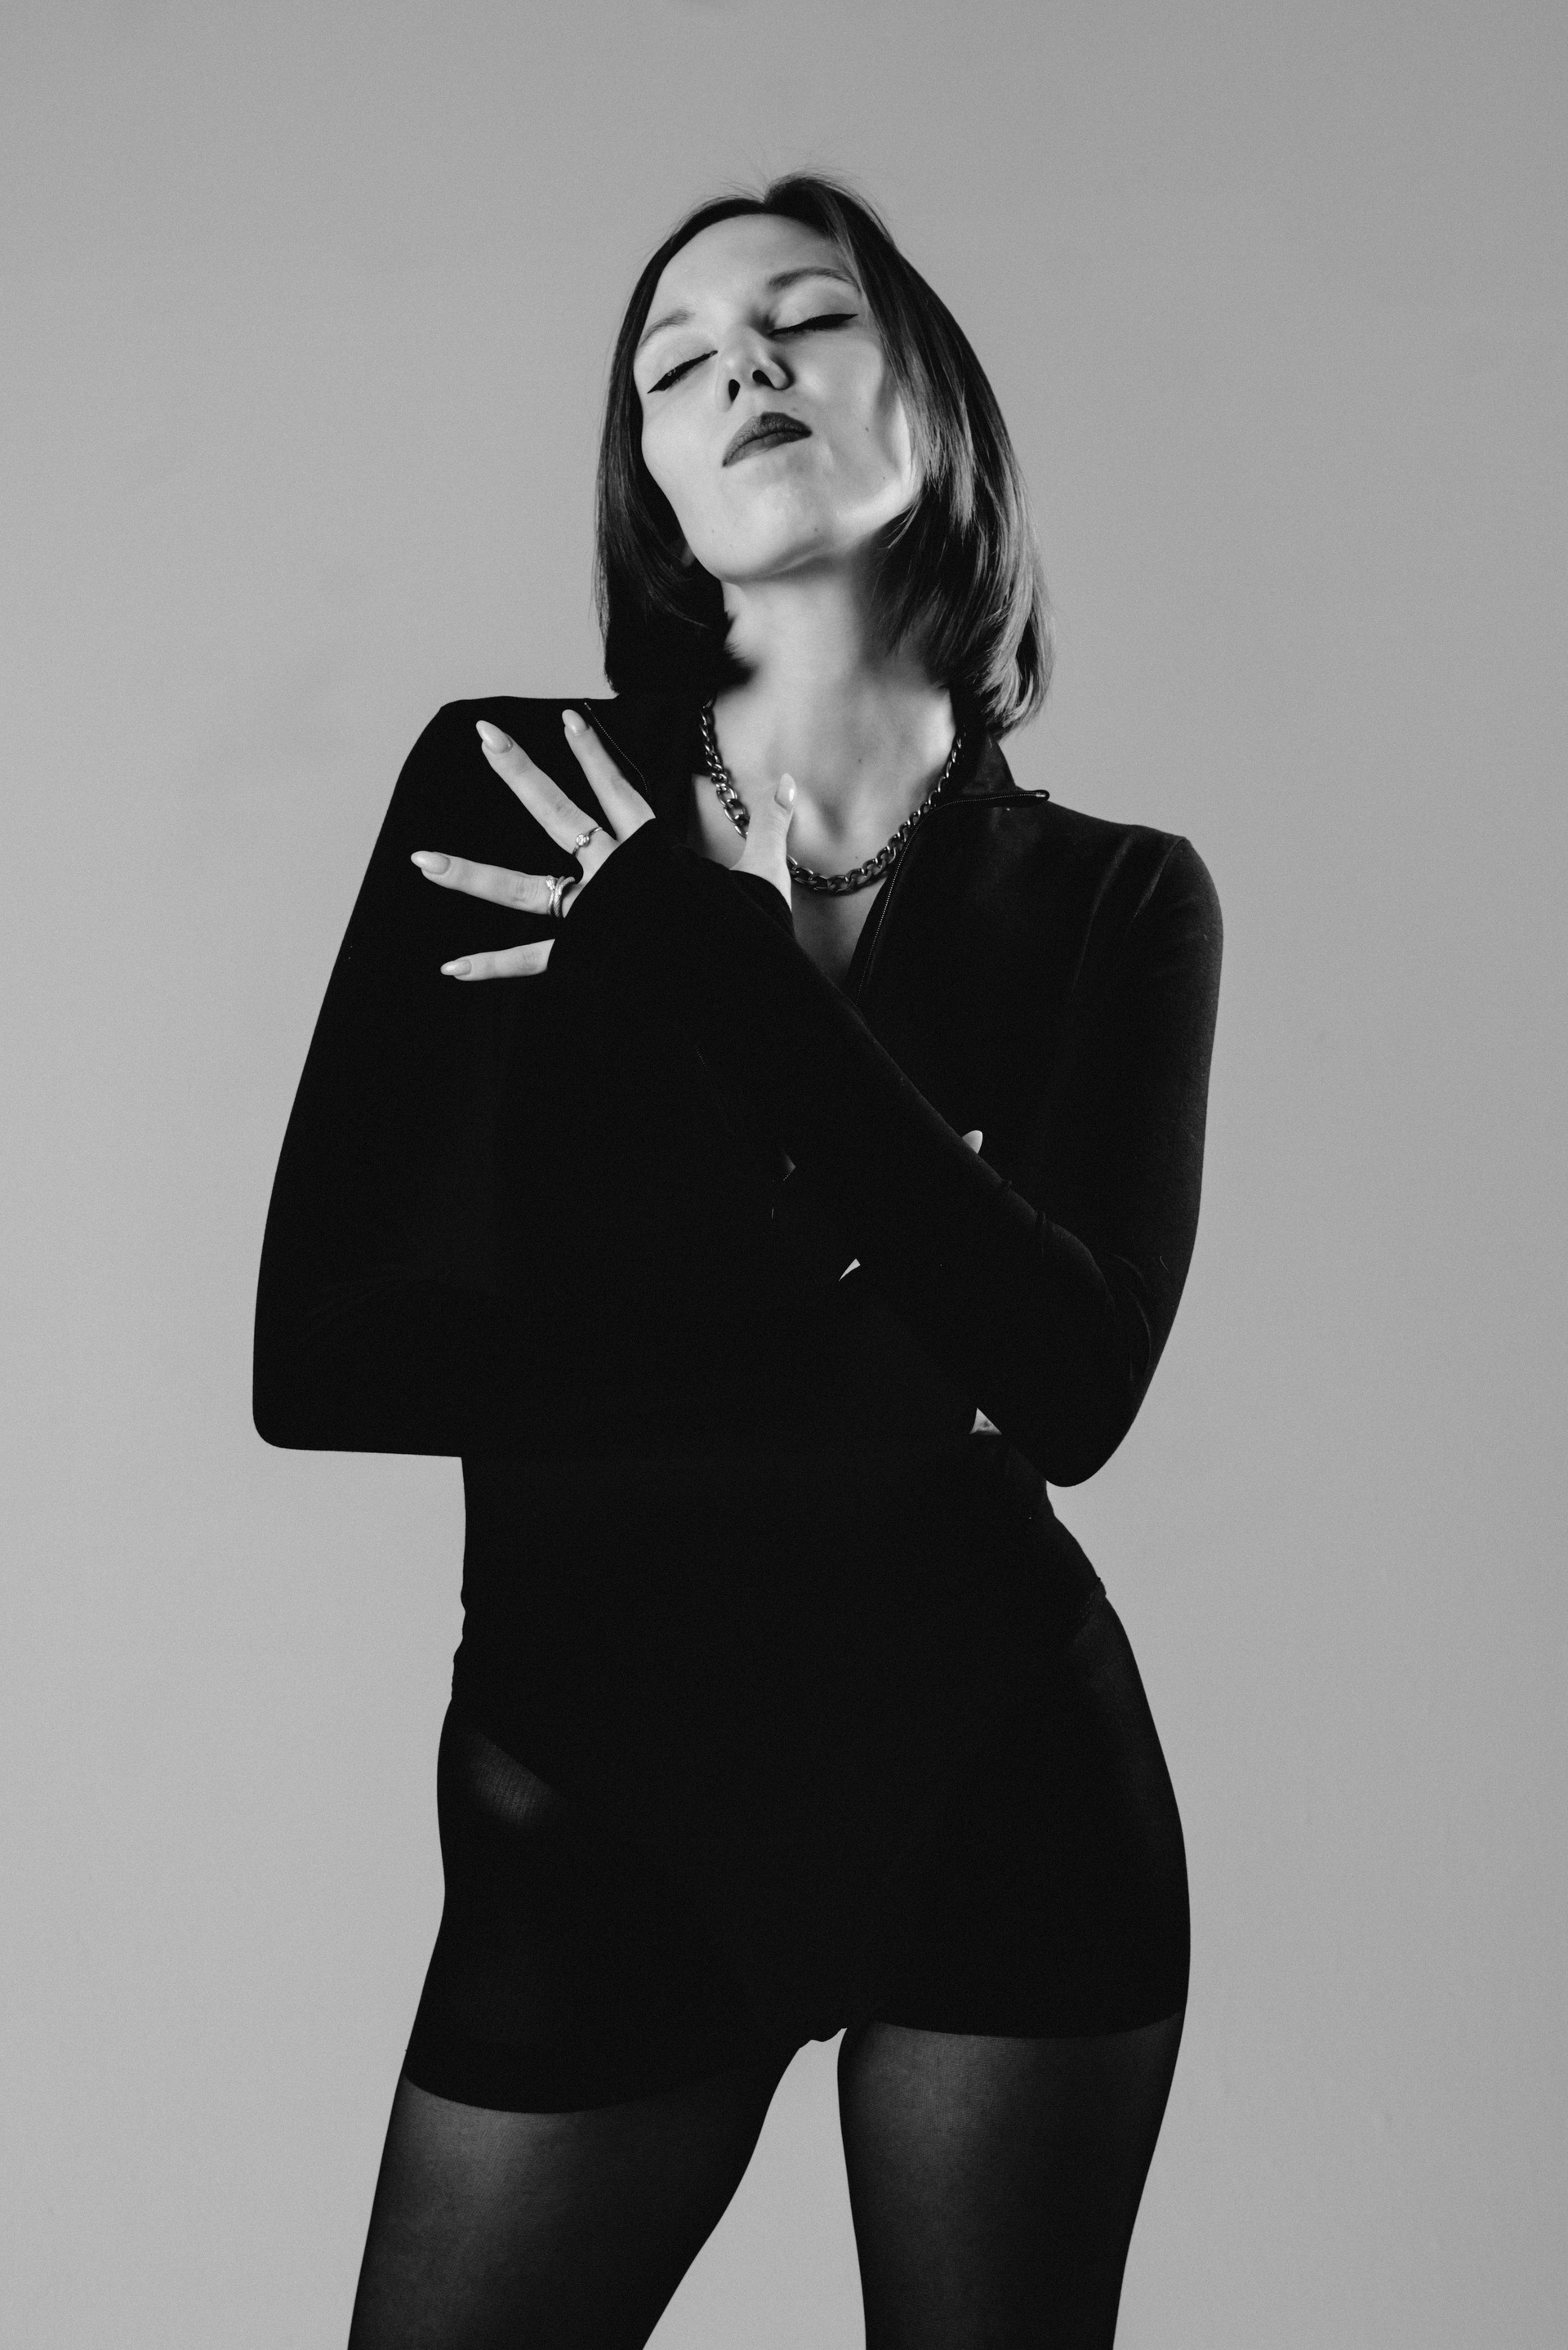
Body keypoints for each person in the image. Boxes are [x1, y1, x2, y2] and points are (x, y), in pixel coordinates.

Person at [254, 173, 1222, 2349]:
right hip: (598, 1813)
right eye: (678, 364)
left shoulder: (1119, 900)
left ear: (934, 412)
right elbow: (324, 1351)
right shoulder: (516, 794)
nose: (745, 366)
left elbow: (1074, 1387)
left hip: (1001, 1790)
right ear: (661, 498)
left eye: (807, 319)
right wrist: (876, 1319)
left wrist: (720, 971)